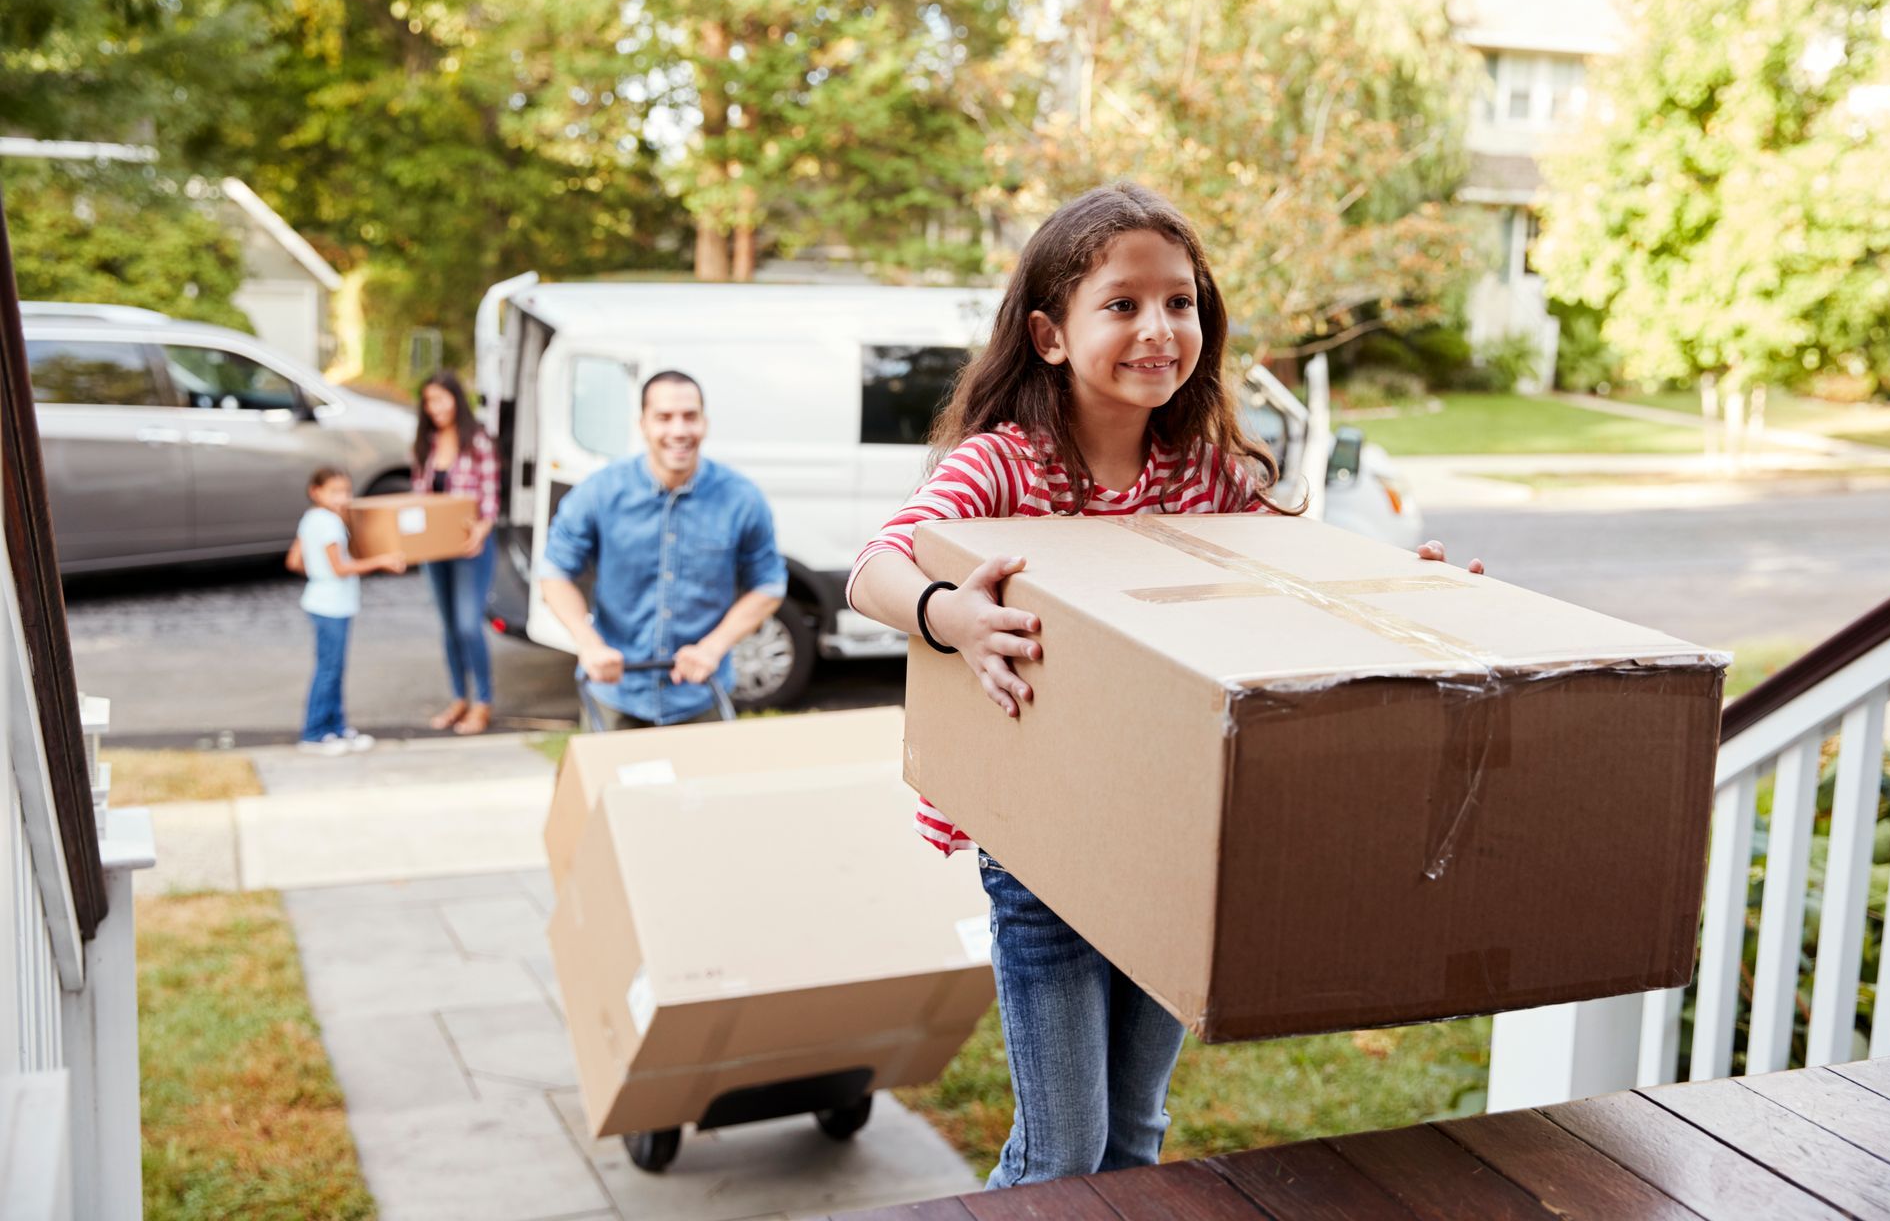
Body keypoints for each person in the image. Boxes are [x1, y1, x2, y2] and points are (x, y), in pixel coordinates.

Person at [847, 183, 1484, 1189]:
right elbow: (874, 565)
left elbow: (1309, 580)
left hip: (1168, 840)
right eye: (1124, 303)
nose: (1159, 327)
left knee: (1136, 1136)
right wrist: (951, 614)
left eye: (1180, 302)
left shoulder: (1205, 475)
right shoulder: (1007, 466)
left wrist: (1421, 591)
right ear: (1051, 334)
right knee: (1062, 1149)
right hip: (1044, 846)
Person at [537, 369, 786, 728]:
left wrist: (713, 647)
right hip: (616, 696)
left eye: (690, 416)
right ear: (642, 424)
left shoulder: (742, 499)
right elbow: (554, 572)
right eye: (664, 418)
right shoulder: (598, 493)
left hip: (702, 694)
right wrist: (588, 643)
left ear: (705, 422)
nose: (679, 430)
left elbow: (769, 585)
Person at [288, 467, 404, 756]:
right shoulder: (330, 523)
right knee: (329, 670)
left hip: (319, 599)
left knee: (333, 668)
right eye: (335, 491)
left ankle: (337, 728)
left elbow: (294, 561)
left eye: (346, 491)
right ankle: (315, 733)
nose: (342, 498)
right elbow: (340, 568)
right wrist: (381, 561)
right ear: (316, 492)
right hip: (332, 605)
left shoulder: (311, 519)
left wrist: (317, 573)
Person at [412, 372, 502, 735]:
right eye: (429, 401)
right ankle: (458, 698)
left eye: (441, 399)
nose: (435, 408)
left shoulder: (478, 440)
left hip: (471, 548)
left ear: (456, 399)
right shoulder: (425, 444)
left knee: (468, 625)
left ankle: (483, 702)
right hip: (435, 550)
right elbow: (418, 499)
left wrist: (481, 529)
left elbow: (491, 499)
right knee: (448, 627)